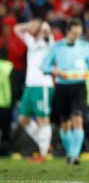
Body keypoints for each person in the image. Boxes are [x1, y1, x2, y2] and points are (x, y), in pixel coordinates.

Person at [41, 18, 89, 165]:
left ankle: (74, 155)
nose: (77, 37)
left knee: (78, 119)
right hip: (62, 86)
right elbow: (44, 66)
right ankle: (70, 153)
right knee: (65, 124)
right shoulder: (57, 47)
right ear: (68, 32)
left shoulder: (85, 46)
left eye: (79, 34)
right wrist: (55, 71)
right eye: (74, 34)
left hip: (79, 86)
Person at [14, 20, 54, 162]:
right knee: (23, 119)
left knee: (42, 119)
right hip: (30, 85)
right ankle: (44, 142)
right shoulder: (31, 42)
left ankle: (42, 154)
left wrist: (44, 27)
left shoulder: (48, 42)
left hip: (42, 85)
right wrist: (30, 24)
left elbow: (47, 32)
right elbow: (16, 28)